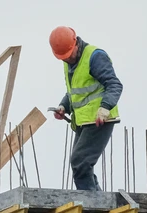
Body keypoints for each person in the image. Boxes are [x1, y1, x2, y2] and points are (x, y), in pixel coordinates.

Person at [50, 26, 122, 191]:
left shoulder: (95, 56)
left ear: (75, 43)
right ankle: (98, 200)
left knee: (80, 162)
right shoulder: (68, 62)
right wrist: (63, 106)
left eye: (68, 55)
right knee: (82, 164)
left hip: (100, 119)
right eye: (63, 58)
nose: (67, 60)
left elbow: (114, 84)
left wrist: (105, 108)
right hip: (84, 121)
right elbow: (74, 91)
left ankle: (93, 205)